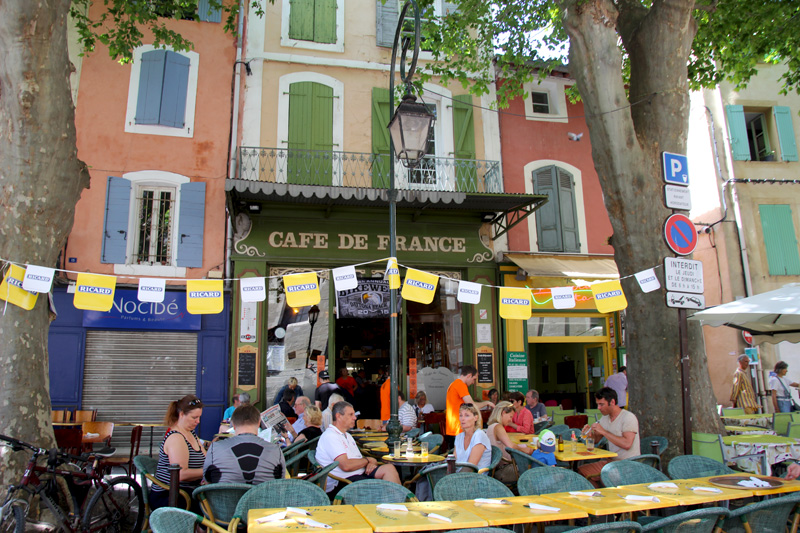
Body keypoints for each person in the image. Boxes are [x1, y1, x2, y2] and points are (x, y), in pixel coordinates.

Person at [315, 401, 401, 495]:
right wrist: (368, 460)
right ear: (338, 416)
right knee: (385, 486)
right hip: (343, 482)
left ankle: (398, 504)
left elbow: (359, 460)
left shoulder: (347, 435)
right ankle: (393, 504)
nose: (355, 417)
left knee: (389, 468)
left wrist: (371, 461)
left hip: (358, 474)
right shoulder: (331, 436)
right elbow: (346, 466)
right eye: (351, 414)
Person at [150, 395, 206, 511]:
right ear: (181, 414)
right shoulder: (176, 437)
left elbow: (205, 459)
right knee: (212, 507)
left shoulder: (191, 433)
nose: (198, 421)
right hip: (171, 496)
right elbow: (181, 474)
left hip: (188, 491)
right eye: (194, 417)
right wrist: (209, 471)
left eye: (199, 417)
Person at [203, 405, 285, 484]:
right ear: (259, 423)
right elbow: (280, 481)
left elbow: (207, 480)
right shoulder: (275, 450)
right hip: (263, 498)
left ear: (233, 426)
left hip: (224, 498)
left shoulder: (215, 449)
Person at [578, 387, 640, 486]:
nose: (598, 408)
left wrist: (604, 432)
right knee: (581, 472)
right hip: (611, 462)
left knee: (603, 477)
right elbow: (596, 440)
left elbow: (627, 444)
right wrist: (589, 434)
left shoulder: (628, 417)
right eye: (597, 404)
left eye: (601, 404)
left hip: (628, 464)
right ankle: (599, 497)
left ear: (612, 402)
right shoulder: (605, 418)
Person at [485, 401, 541, 483]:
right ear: (503, 413)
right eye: (510, 416)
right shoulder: (498, 427)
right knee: (538, 469)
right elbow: (511, 446)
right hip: (505, 470)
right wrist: (526, 450)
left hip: (497, 470)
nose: (511, 420)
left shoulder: (491, 426)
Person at [446, 365, 495, 439]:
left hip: (454, 427)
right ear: (469, 376)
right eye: (474, 379)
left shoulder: (454, 384)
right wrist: (487, 403)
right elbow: (472, 405)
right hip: (459, 427)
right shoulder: (460, 385)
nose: (473, 382)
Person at [454, 403, 492, 472]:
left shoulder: (479, 435)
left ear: (475, 418)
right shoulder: (459, 437)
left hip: (475, 478)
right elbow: (453, 460)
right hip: (459, 475)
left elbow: (471, 467)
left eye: (467, 415)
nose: (462, 419)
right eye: (460, 415)